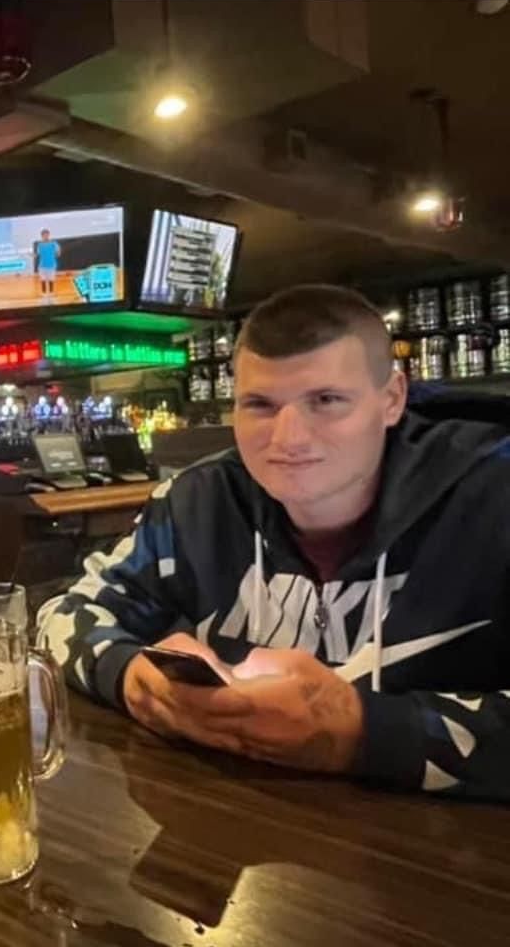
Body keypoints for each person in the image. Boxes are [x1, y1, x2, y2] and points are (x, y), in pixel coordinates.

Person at [39, 284, 510, 801]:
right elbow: (63, 615)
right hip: (238, 843)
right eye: (260, 404)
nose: (289, 439)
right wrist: (131, 679)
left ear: (392, 398)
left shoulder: (492, 496)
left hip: (452, 866)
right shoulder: (198, 503)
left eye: (326, 401)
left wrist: (359, 732)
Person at [34, 227, 61, 298]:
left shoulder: (54, 243)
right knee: (43, 280)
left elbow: (58, 253)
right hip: (42, 266)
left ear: (49, 235)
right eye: (44, 235)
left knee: (51, 280)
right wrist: (34, 255)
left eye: (46, 234)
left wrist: (57, 253)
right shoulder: (39, 245)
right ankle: (44, 294)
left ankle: (51, 293)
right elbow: (37, 254)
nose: (45, 236)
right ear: (42, 236)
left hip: (52, 265)